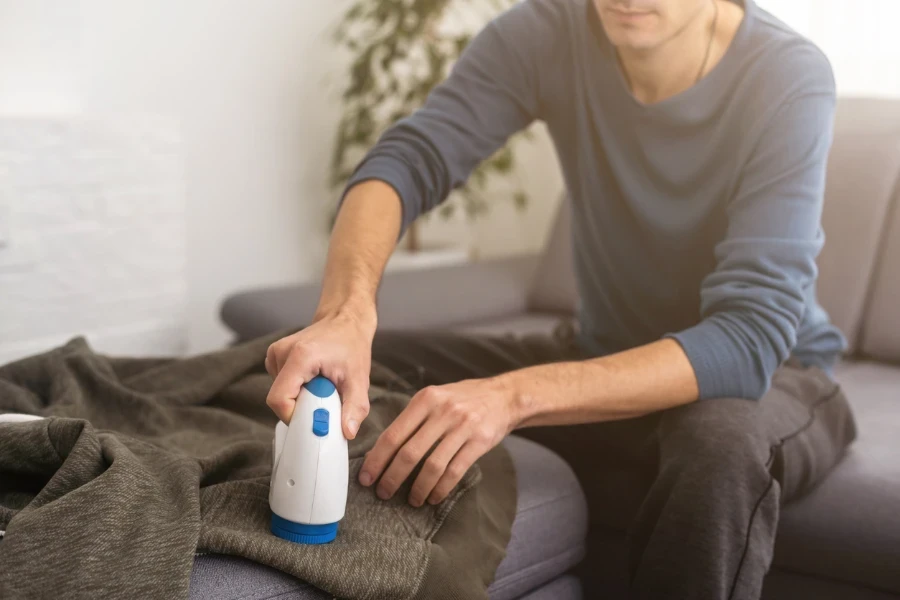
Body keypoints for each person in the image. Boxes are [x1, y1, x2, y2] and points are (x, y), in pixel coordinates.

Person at [264, 0, 857, 598]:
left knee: (718, 451)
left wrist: (511, 397)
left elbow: (749, 336)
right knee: (327, 363)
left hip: (769, 375)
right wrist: (346, 314)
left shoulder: (787, 74)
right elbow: (408, 160)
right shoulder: (547, 32)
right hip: (600, 352)